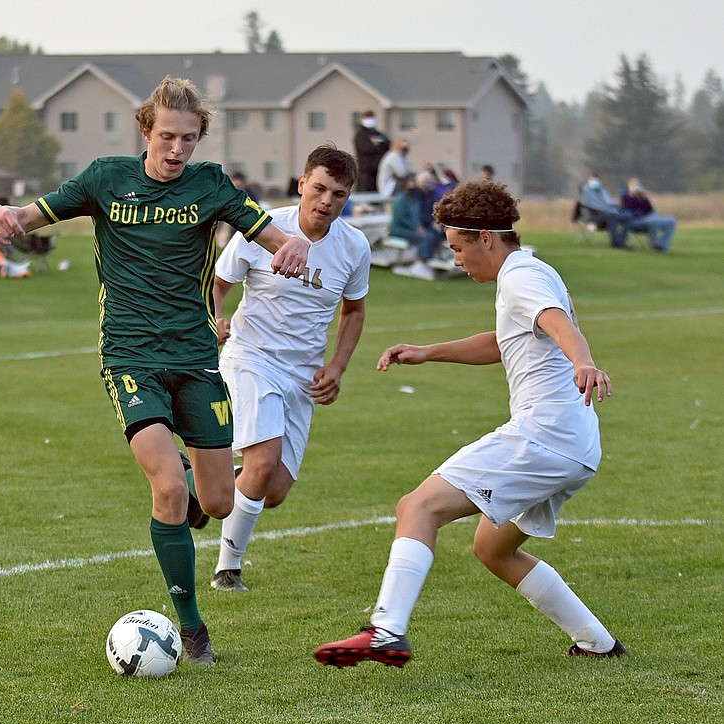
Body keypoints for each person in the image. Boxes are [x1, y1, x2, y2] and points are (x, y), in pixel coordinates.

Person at [0, 75, 311, 666]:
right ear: (146, 131)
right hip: (130, 354)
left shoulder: (211, 185)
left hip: (194, 356)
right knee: (166, 486)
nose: (177, 149)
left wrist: (294, 244)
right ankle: (192, 627)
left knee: (214, 503)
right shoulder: (106, 178)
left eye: (188, 138)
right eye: (167, 136)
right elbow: (30, 215)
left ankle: (191, 476)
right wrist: (3, 213)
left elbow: (270, 229)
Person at [314, 178, 625, 669]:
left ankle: (386, 631)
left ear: (486, 237)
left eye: (459, 248)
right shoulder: (527, 273)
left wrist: (584, 360)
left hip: (543, 437)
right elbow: (505, 342)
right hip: (575, 445)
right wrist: (427, 352)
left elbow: (556, 323)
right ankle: (597, 642)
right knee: (493, 548)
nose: (456, 259)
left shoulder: (523, 279)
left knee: (417, 506)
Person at [210, 144, 369, 591]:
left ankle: (199, 482)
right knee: (262, 464)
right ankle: (228, 569)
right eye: (318, 189)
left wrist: (337, 365)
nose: (326, 201)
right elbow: (217, 286)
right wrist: (212, 321)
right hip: (250, 357)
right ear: (301, 184)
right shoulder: (261, 229)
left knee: (274, 489)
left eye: (339, 195)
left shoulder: (354, 246)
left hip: (303, 374)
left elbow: (354, 311)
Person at [390, 173, 446, 281]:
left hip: (413, 228)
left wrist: (420, 226)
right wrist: (416, 227)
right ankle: (419, 263)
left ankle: (429, 260)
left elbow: (416, 216)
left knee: (433, 234)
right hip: (399, 229)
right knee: (425, 237)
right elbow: (401, 219)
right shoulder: (400, 200)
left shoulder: (414, 200)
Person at [620, 177, 676, 252]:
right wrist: (633, 196)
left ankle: (663, 246)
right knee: (653, 221)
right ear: (628, 187)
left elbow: (650, 211)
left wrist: (645, 198)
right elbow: (630, 210)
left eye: (637, 185)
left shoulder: (642, 197)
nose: (635, 187)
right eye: (633, 186)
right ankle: (655, 245)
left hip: (649, 218)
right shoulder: (626, 197)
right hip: (636, 221)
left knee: (671, 220)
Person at [577, 172, 632, 249]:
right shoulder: (586, 191)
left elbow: (610, 202)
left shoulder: (603, 191)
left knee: (628, 216)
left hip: (609, 213)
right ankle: (616, 243)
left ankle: (623, 241)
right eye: (593, 180)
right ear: (589, 180)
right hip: (595, 216)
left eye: (596, 180)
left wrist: (617, 208)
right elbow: (590, 205)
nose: (595, 182)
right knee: (612, 216)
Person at [353, 110, 391, 194]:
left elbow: (388, 145)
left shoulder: (378, 134)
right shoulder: (360, 135)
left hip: (378, 171)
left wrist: (377, 145)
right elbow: (366, 148)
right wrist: (378, 146)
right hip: (365, 173)